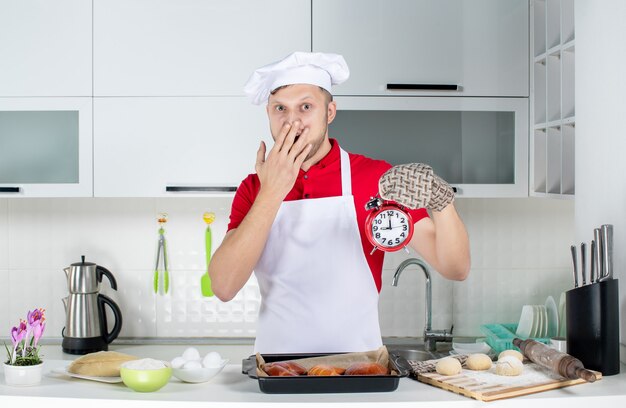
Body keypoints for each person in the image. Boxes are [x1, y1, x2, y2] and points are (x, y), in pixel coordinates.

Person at [209, 52, 470, 354]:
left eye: (305, 107)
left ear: (329, 112)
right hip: (278, 371)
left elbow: (455, 267)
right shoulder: (253, 188)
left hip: (361, 366)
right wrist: (271, 193)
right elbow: (224, 286)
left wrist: (441, 201)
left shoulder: (376, 179)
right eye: (280, 108)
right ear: (268, 113)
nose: (292, 121)